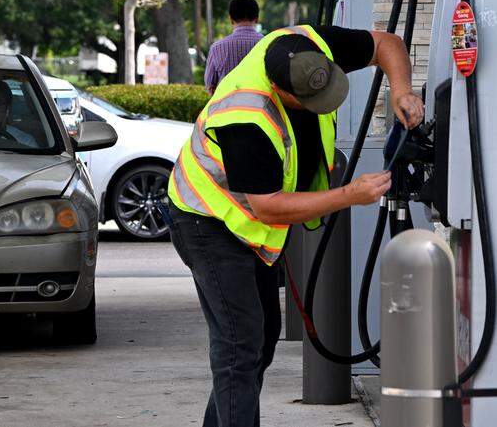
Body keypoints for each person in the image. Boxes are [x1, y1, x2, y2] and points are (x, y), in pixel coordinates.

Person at [164, 24, 423, 427]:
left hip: (250, 226)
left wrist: (401, 91)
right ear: (280, 91)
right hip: (206, 220)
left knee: (262, 338)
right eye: (311, 102)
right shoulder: (245, 120)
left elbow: (386, 44)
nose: (321, 106)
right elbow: (268, 207)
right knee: (240, 345)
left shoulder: (310, 46)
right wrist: (348, 195)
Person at [204, 0, 264, 93]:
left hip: (226, 102)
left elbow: (210, 85)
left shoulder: (216, 48)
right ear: (257, 19)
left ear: (231, 19)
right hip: (261, 102)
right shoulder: (269, 44)